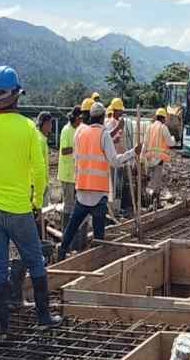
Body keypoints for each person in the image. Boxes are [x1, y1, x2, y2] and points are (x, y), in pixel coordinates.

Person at [0, 66, 61, 336]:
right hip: (20, 210)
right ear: (17, 95)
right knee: (35, 261)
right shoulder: (28, 128)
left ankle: (2, 326)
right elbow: (40, 171)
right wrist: (36, 201)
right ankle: (43, 317)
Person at [58, 102, 139, 260]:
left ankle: (61, 252)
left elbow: (76, 158)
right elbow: (114, 161)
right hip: (98, 193)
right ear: (102, 117)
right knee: (99, 235)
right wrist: (133, 152)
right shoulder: (103, 134)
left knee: (72, 227)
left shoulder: (79, 133)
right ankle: (98, 261)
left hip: (82, 190)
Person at [143, 108, 175, 206]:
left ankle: (152, 201)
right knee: (156, 181)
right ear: (163, 118)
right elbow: (170, 143)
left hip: (149, 158)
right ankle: (154, 202)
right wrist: (173, 139)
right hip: (158, 159)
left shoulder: (149, 127)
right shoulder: (163, 127)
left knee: (150, 181)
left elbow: (145, 143)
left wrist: (142, 157)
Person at [58, 106, 81, 236]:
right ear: (76, 118)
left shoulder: (77, 129)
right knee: (68, 205)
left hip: (74, 174)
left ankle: (71, 231)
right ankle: (65, 232)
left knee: (74, 205)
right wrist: (78, 147)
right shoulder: (66, 130)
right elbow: (64, 150)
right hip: (67, 174)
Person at [105, 98, 126, 215]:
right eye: (120, 110)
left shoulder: (119, 123)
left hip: (120, 158)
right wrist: (114, 140)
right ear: (115, 110)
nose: (122, 112)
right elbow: (107, 140)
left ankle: (117, 208)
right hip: (113, 159)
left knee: (118, 185)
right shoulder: (110, 123)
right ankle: (112, 209)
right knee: (113, 184)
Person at [35, 111, 53, 207]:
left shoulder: (41, 138)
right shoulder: (40, 140)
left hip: (41, 182)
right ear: (44, 124)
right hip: (40, 183)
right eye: (50, 123)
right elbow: (38, 164)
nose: (51, 126)